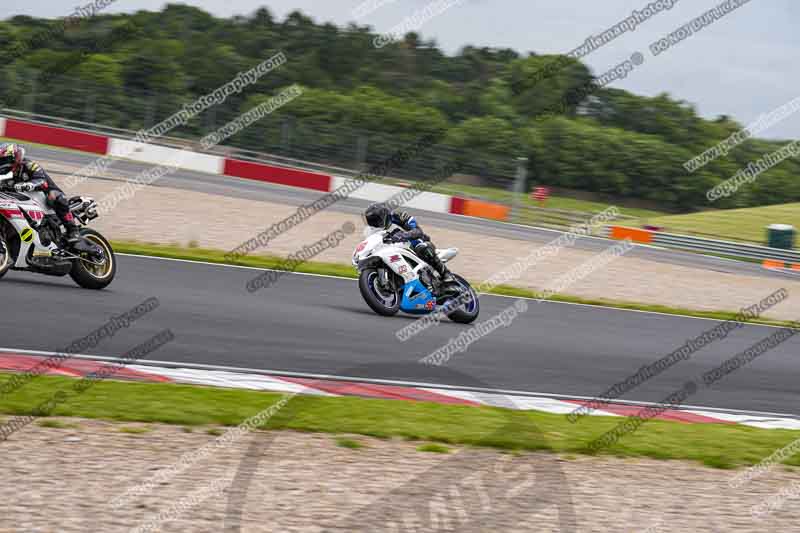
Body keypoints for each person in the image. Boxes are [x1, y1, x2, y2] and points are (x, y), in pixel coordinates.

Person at [0, 143, 81, 243]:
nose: (2, 163)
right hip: (29, 201)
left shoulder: (29, 165)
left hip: (47, 195)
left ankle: (73, 230)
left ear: (14, 157)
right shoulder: (8, 173)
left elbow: (42, 180)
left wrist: (30, 184)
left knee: (53, 197)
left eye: (4, 160)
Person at [363, 203, 454, 283]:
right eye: (372, 221)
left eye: (377, 220)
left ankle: (446, 274)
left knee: (421, 247)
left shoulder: (399, 216)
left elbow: (418, 231)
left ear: (384, 215)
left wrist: (404, 235)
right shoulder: (370, 231)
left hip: (414, 244)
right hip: (392, 251)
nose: (375, 224)